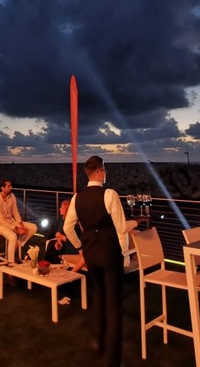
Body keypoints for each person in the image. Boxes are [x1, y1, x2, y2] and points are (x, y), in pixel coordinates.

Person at [64, 156, 127, 367]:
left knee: (98, 295)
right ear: (100, 172)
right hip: (109, 253)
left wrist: (80, 246)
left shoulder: (76, 198)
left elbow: (67, 228)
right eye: (105, 170)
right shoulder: (110, 195)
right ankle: (112, 358)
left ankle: (97, 340)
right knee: (114, 304)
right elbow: (121, 229)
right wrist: (125, 253)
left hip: (90, 254)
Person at [0, 178, 37, 264]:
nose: (11, 188)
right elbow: (1, 221)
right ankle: (11, 262)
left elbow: (15, 211)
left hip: (10, 221)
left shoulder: (12, 196)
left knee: (33, 227)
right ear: (2, 188)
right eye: (8, 186)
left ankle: (18, 244)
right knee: (12, 236)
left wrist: (21, 224)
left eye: (11, 186)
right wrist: (16, 229)